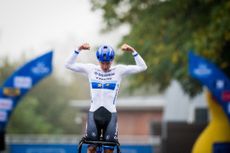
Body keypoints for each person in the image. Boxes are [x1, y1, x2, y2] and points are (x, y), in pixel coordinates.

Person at [65, 43, 147, 153]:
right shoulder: (91, 69)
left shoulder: (119, 70)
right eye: (102, 63)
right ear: (98, 61)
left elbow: (142, 67)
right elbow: (68, 64)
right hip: (94, 114)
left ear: (112, 60)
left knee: (109, 150)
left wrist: (133, 51)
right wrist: (78, 49)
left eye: (107, 63)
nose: (105, 66)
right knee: (91, 148)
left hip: (110, 115)